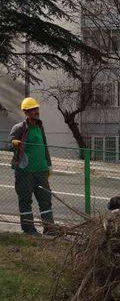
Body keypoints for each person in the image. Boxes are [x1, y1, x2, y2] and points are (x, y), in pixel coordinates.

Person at [9, 97, 55, 235]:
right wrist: (14, 143)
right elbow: (8, 144)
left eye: (36, 109)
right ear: (26, 112)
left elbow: (44, 147)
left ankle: (49, 228)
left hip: (41, 171)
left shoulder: (40, 126)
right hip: (25, 171)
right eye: (32, 109)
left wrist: (49, 165)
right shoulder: (19, 128)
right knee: (25, 200)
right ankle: (28, 229)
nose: (36, 111)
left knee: (46, 200)